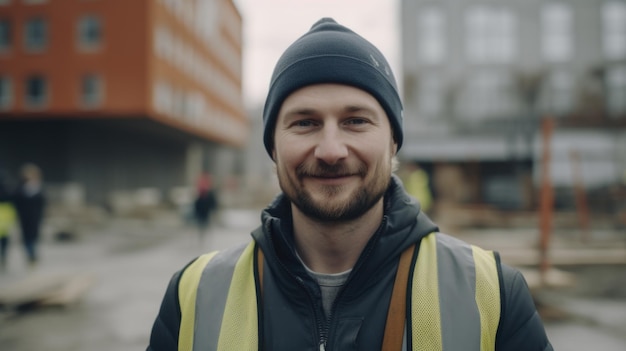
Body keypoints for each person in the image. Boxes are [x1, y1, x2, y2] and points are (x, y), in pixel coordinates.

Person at [147, 18, 552, 351]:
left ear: (393, 140)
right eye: (304, 123)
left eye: (356, 120)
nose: (330, 149)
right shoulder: (194, 297)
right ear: (273, 145)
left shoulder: (492, 295)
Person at [13, 163, 46, 267]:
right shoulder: (20, 189)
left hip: (35, 217)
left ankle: (32, 255)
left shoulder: (38, 188)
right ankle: (30, 255)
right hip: (24, 217)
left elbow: (42, 204)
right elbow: (17, 202)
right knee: (26, 238)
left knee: (34, 237)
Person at [192, 171, 218, 239]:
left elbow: (212, 202)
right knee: (201, 223)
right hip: (202, 209)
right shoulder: (202, 189)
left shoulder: (208, 191)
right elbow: (197, 202)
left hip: (205, 209)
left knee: (204, 223)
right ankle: (202, 235)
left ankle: (203, 235)